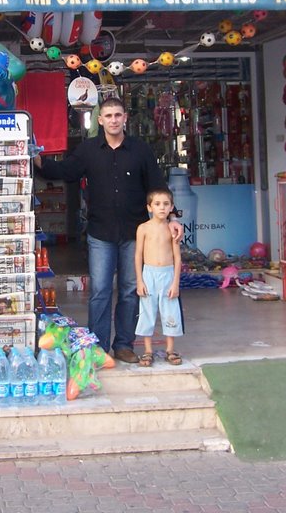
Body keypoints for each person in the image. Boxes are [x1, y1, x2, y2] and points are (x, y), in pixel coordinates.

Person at [34, 96, 181, 364]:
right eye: (108, 116)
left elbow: (157, 186)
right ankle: (98, 348)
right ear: (100, 120)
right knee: (100, 290)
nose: (113, 120)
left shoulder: (140, 150)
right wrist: (36, 159)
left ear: (126, 118)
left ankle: (124, 345)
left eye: (118, 115)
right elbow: (65, 170)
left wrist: (171, 217)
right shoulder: (89, 150)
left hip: (135, 232)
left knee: (129, 289)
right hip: (100, 232)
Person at [134, 188, 183, 367]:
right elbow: (138, 255)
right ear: (149, 207)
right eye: (157, 204)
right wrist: (139, 280)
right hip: (149, 274)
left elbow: (178, 257)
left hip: (168, 274)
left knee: (170, 311)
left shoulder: (172, 229)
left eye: (166, 204)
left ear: (171, 208)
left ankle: (170, 349)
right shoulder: (143, 228)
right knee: (147, 311)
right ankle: (148, 351)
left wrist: (175, 283)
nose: (161, 208)